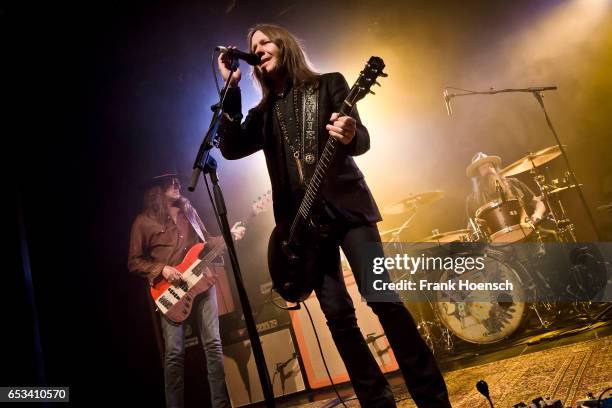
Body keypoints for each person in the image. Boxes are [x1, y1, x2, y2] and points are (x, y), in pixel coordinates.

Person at [216, 24, 451, 407]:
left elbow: (362, 140)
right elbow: (229, 147)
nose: (257, 48)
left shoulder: (329, 85)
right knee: (339, 318)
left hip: (350, 212)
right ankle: (377, 402)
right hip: (305, 231)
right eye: (251, 46)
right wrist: (232, 89)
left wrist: (348, 133)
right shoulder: (263, 113)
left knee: (383, 299)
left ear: (284, 45)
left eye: (264, 41)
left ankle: (432, 398)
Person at [128, 173, 245, 408]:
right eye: (169, 182)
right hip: (169, 292)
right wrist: (163, 269)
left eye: (176, 181)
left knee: (213, 344)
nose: (176, 184)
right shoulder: (144, 221)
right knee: (174, 354)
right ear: (156, 190)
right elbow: (134, 262)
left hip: (202, 282)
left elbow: (206, 242)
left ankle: (221, 405)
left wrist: (228, 236)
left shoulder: (188, 211)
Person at [465, 152, 546, 231]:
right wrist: (474, 227)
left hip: (527, 231)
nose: (489, 169)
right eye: (484, 167)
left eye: (490, 166)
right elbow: (471, 227)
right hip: (498, 242)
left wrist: (537, 214)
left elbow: (538, 202)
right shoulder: (472, 200)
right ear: (478, 175)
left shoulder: (513, 183)